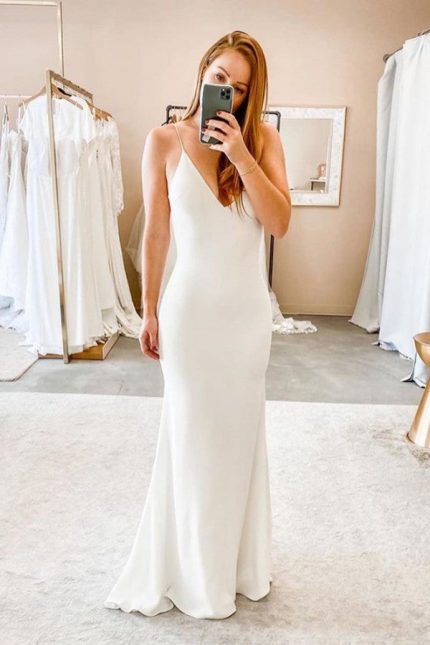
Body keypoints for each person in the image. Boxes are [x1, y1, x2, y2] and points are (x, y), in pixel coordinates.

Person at [104, 30, 291, 620]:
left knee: (237, 439)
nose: (227, 91)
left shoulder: (263, 140)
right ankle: (189, 569)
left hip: (245, 320)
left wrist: (241, 154)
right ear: (203, 71)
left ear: (250, 95)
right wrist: (149, 309)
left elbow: (279, 224)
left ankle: (235, 568)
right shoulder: (163, 141)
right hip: (189, 315)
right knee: (190, 437)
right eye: (219, 78)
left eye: (240, 88)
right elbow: (157, 233)